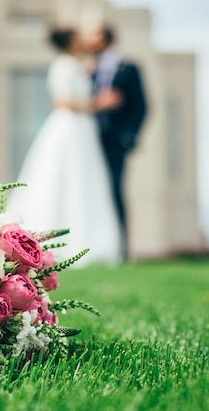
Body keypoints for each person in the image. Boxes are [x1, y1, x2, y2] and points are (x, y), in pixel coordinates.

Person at [7, 28, 121, 266]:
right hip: (70, 127)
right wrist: (98, 103)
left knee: (84, 182)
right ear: (71, 42)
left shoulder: (76, 65)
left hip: (82, 130)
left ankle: (91, 241)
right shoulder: (64, 65)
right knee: (66, 178)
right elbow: (62, 101)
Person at [84, 25, 147, 261]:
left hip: (114, 143)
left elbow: (142, 106)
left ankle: (120, 249)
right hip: (88, 143)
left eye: (94, 36)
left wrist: (126, 137)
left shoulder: (128, 69)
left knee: (114, 191)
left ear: (106, 38)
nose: (90, 41)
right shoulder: (89, 72)